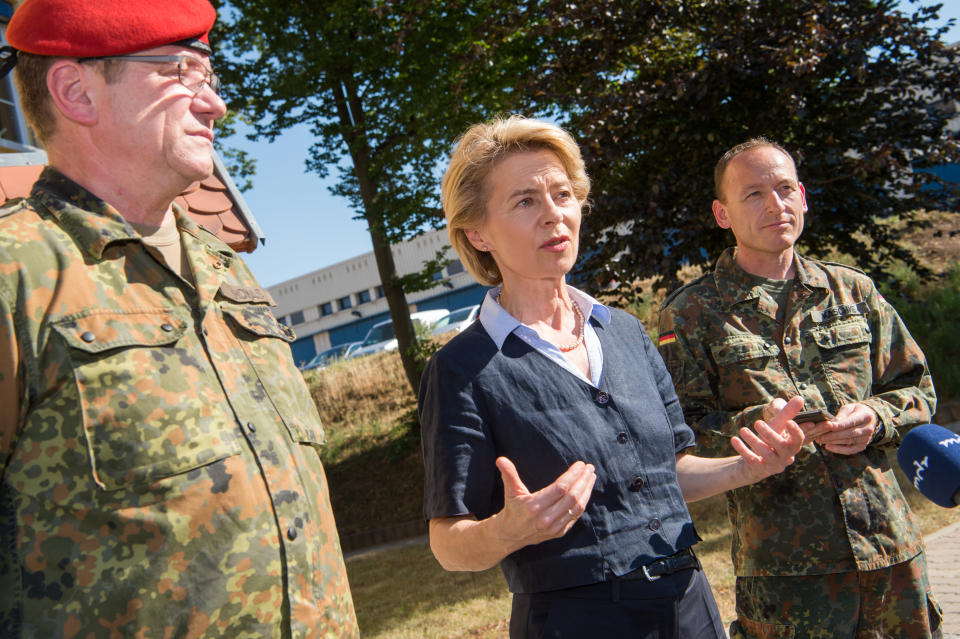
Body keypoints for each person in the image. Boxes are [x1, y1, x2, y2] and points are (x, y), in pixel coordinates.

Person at [0, 1, 359, 637]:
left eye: (209, 76)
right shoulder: (16, 274)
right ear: (76, 91)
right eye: (177, 71)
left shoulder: (224, 268)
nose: (213, 103)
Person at [419, 115, 807, 639]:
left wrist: (748, 467)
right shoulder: (462, 369)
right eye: (525, 201)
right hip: (577, 620)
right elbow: (448, 544)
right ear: (477, 233)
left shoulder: (622, 330)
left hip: (688, 601)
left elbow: (673, 469)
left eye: (562, 194)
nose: (553, 216)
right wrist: (507, 531)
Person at [658, 138, 942, 638]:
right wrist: (755, 430)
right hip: (787, 575)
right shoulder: (691, 315)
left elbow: (915, 387)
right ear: (722, 214)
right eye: (753, 194)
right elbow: (678, 433)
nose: (776, 205)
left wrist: (877, 419)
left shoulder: (854, 290)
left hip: (891, 553)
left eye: (786, 188)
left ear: (803, 197)